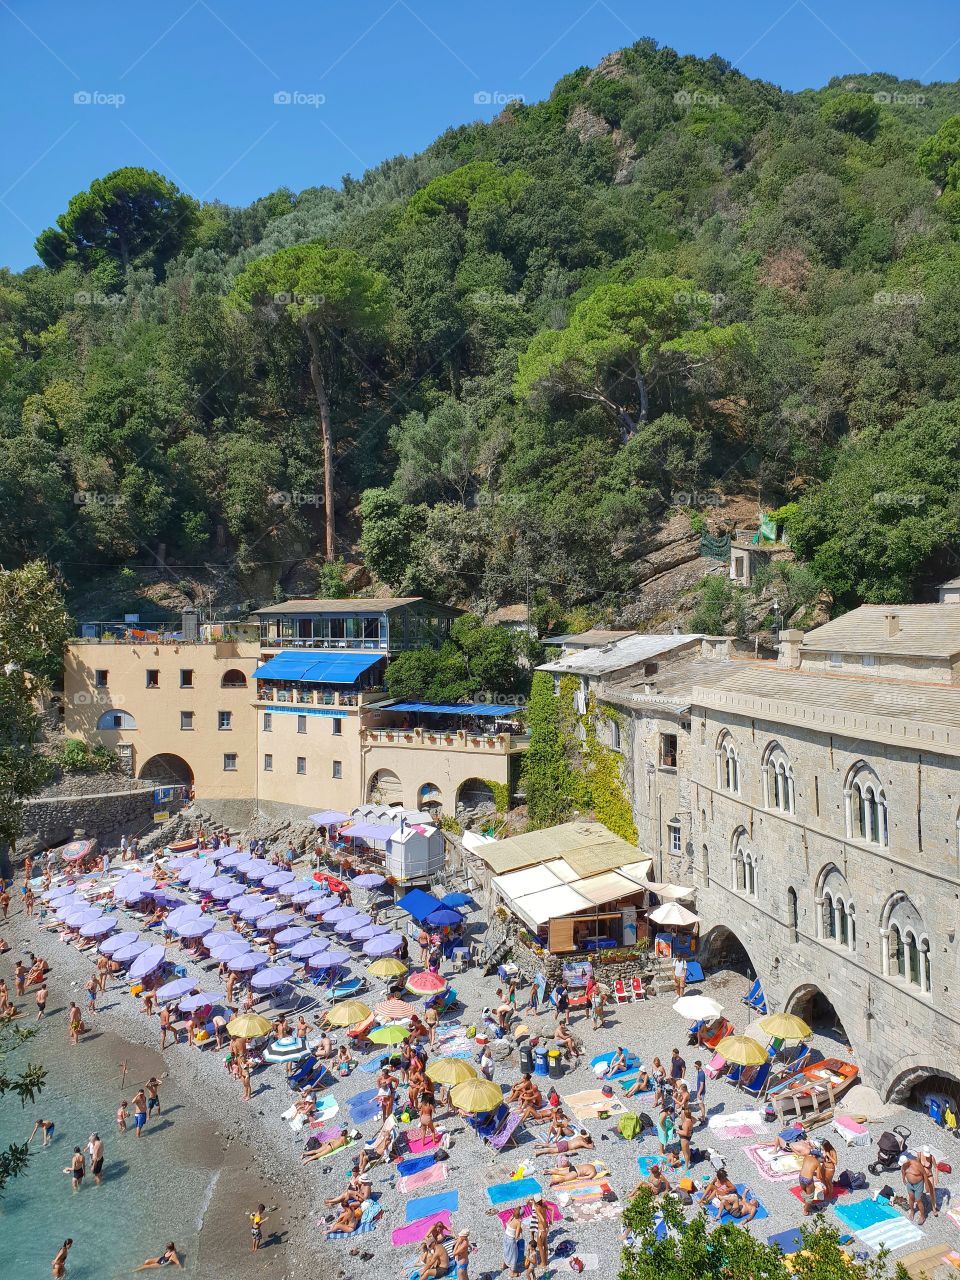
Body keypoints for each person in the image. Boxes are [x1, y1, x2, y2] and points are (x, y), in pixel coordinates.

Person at [902, 1153, 929, 1224]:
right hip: (910, 1184)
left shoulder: (916, 1165)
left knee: (918, 1200)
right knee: (911, 1197)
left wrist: (926, 1185)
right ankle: (912, 1211)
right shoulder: (904, 1165)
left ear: (908, 1161)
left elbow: (924, 1174)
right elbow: (903, 1171)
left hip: (918, 1184)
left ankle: (923, 1216)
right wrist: (903, 1179)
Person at [502, 1206, 524, 1278]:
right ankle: (512, 1272)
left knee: (506, 1251)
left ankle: (504, 1265)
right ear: (521, 1215)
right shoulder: (518, 1222)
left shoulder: (512, 1217)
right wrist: (520, 1229)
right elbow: (517, 1235)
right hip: (511, 1240)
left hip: (506, 1236)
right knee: (513, 1255)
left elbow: (507, 1223)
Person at [919, 1145, 940, 1216]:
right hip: (921, 1175)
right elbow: (917, 1165)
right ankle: (921, 1205)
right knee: (920, 1190)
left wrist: (936, 1177)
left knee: (932, 1191)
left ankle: (933, 1208)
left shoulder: (931, 1157)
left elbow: (936, 1167)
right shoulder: (919, 1155)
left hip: (929, 1176)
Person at [531, 1192, 549, 1268]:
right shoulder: (544, 1206)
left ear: (536, 1202)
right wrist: (547, 1227)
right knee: (545, 1244)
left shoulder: (538, 1209)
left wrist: (544, 1227)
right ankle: (546, 1260)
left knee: (540, 1246)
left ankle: (543, 1263)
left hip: (541, 1230)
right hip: (545, 1229)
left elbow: (542, 1219)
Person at [694, 1059, 707, 1124]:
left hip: (701, 1092)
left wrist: (699, 1093)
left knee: (701, 1105)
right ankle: (703, 1116)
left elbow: (702, 1085)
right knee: (700, 1105)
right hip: (700, 1091)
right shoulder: (699, 1071)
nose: (695, 1067)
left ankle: (703, 1119)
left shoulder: (701, 1074)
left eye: (696, 1066)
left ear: (699, 1066)